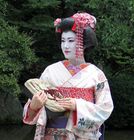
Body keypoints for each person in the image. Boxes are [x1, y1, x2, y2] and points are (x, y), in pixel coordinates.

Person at [23, 12, 114, 140]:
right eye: (63, 40)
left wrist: (77, 105)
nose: (65, 46)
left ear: (84, 43)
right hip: (52, 135)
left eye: (71, 41)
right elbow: (33, 111)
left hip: (83, 136)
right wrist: (34, 105)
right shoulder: (51, 71)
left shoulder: (96, 74)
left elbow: (105, 109)